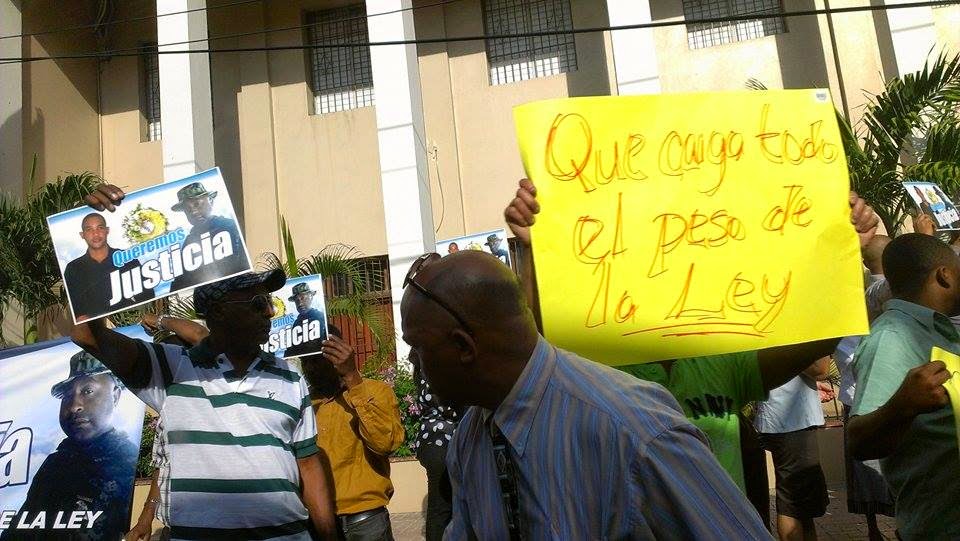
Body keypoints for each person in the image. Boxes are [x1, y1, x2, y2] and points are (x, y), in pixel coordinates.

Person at [502, 178, 881, 497]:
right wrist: (538, 248)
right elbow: (534, 353)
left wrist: (847, 256)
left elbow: (817, 341)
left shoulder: (718, 359)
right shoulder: (599, 366)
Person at [401, 250, 769, 539]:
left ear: (463, 347)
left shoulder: (635, 433)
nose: (414, 362)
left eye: (418, 347)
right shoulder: (470, 438)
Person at [73, 177, 336, 540]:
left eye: (268, 303)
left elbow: (308, 463)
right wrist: (97, 241)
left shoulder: (290, 378)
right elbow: (85, 334)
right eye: (257, 303)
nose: (270, 312)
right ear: (219, 312)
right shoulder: (171, 368)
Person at [848, 233, 960, 540]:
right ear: (945, 275)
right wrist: (902, 405)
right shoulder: (893, 336)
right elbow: (857, 442)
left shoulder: (939, 330)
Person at [2, 351, 139, 540]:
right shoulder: (55, 463)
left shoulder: (129, 464)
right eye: (67, 395)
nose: (74, 406)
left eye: (88, 391)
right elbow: (20, 529)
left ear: (115, 396)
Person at [300, 326, 405, 540]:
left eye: (317, 359)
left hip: (366, 522)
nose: (310, 367)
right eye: (305, 361)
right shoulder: (303, 404)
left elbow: (384, 443)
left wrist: (351, 376)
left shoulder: (375, 391)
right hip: (316, 522)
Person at [753, 358, 832, 541]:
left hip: (785, 420)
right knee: (791, 504)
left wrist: (811, 386)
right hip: (790, 423)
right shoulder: (789, 342)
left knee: (801, 504)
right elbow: (820, 369)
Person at [63, 212, 154, 320]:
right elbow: (74, 307)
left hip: (129, 322)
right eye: (89, 229)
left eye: (100, 228)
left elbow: (147, 296)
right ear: (82, 235)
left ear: (107, 230)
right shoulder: (73, 268)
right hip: (94, 326)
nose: (95, 233)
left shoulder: (127, 259)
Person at [411, 351, 462, 541]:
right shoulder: (434, 364)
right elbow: (447, 405)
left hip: (434, 440)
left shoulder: (425, 361)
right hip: (440, 440)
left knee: (444, 505)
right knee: (442, 506)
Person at [168, 181, 248, 291]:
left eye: (197, 204)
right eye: (187, 209)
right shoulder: (189, 241)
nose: (193, 212)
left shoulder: (231, 227)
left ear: (211, 201)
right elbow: (180, 281)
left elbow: (244, 265)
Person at [285, 282, 328, 358]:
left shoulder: (320, 317)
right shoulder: (297, 323)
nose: (300, 304)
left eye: (302, 298)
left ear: (311, 296)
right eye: (297, 300)